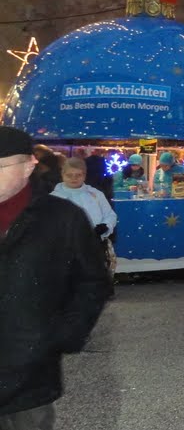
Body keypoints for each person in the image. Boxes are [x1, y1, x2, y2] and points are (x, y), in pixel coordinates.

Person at [0, 126, 112, 429]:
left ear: (28, 165)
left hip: (29, 374)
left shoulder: (62, 217)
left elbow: (92, 281)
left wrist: (63, 334)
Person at [51, 158, 119, 275]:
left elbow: (110, 215)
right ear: (62, 174)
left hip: (94, 245)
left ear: (85, 175)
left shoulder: (95, 194)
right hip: (66, 248)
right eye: (69, 175)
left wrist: (105, 226)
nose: (74, 178)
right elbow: (49, 223)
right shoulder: (54, 198)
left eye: (78, 175)